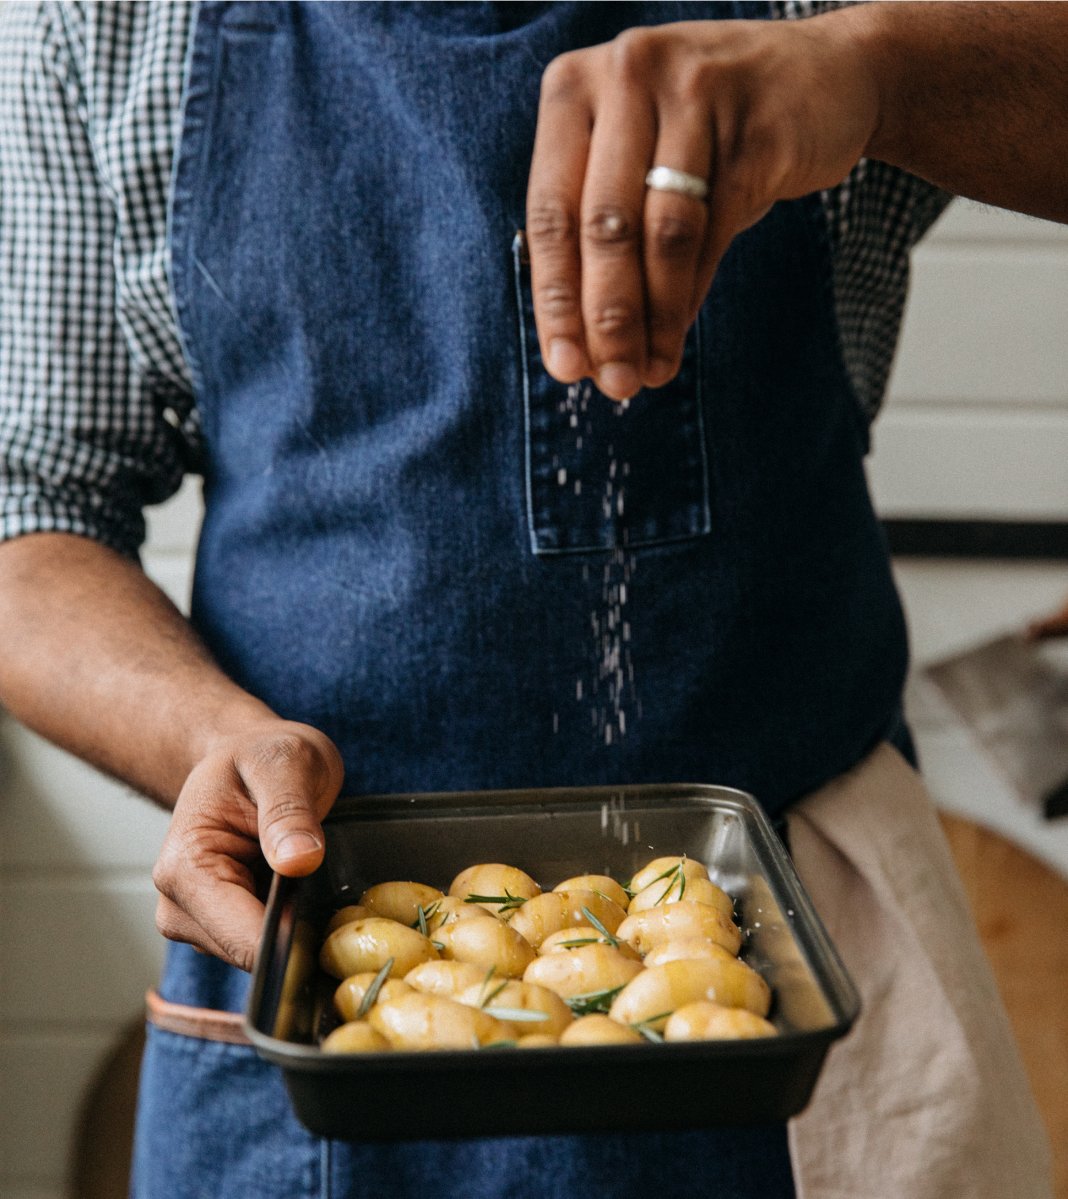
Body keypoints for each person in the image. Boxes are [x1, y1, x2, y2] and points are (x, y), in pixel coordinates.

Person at [0, 2, 1061, 1196]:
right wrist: (210, 741)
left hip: (793, 999)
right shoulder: (110, 25)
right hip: (312, 972)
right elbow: (28, 518)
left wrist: (876, 74)